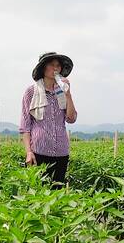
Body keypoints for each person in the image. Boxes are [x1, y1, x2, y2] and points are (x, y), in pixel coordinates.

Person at [19, 52, 77, 188]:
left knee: (57, 193)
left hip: (61, 153)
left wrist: (68, 95)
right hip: (39, 152)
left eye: (58, 65)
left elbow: (71, 118)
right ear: (43, 68)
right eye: (52, 65)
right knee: (39, 192)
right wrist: (28, 152)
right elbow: (25, 126)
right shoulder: (31, 92)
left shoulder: (62, 91)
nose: (55, 68)